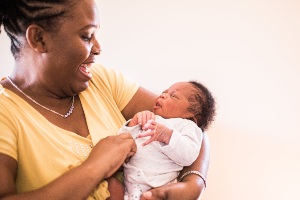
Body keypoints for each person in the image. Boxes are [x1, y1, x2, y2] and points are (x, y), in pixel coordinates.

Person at [0, 0, 210, 199]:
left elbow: (189, 124)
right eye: (86, 36)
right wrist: (96, 167)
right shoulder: (5, 112)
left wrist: (193, 186)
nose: (98, 48)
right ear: (39, 38)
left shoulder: (101, 80)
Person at [118, 81, 216, 200]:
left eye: (173, 96)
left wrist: (169, 136)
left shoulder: (187, 127)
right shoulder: (150, 117)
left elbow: (188, 155)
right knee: (111, 184)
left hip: (155, 185)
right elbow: (120, 142)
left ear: (190, 116)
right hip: (127, 180)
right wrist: (133, 124)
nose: (163, 95)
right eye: (164, 92)